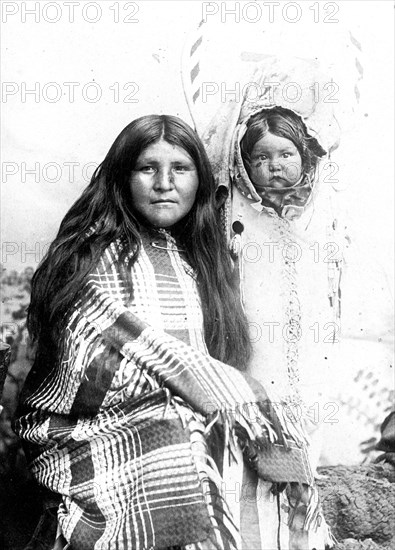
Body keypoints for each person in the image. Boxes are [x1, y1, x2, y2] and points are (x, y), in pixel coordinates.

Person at [15, 114, 329, 550]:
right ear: (122, 178)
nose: (165, 183)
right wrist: (204, 398)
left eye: (180, 169)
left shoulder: (199, 259)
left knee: (243, 457)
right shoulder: (90, 256)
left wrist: (212, 403)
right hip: (89, 429)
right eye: (147, 168)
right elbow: (100, 355)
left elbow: (205, 356)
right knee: (183, 452)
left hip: (185, 411)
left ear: (199, 180)